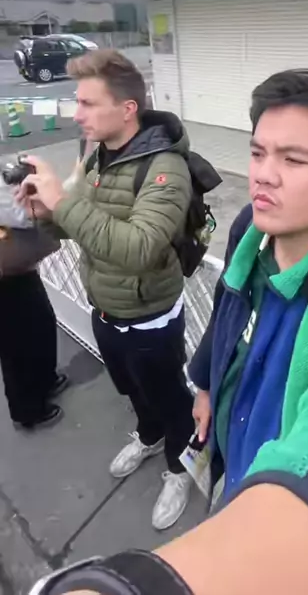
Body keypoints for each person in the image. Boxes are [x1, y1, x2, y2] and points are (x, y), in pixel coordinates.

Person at [31, 68, 308, 595]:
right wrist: (207, 384)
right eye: (258, 153)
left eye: (293, 160)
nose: (263, 176)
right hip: (233, 457)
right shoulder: (252, 232)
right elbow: (230, 307)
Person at [17, 49, 195, 531]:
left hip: (151, 315)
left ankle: (180, 467)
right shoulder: (97, 156)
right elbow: (80, 226)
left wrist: (63, 202)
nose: (77, 115)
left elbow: (138, 249)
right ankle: (149, 436)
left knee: (170, 396)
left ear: (127, 108)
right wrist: (46, 212)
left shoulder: (165, 169)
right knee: (132, 388)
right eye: (77, 102)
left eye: (88, 103)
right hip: (104, 306)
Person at [0, 224, 68, 429]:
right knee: (14, 343)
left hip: (14, 262)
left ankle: (44, 379)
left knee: (40, 321)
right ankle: (26, 409)